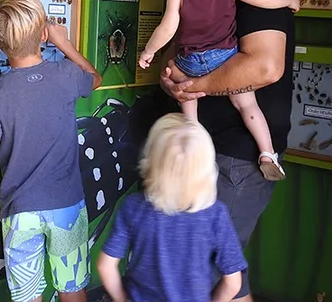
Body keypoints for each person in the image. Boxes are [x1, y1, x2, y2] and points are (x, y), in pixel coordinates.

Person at [159, 0, 296, 302]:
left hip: (238, 155)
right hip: (210, 148)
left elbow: (265, 66)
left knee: (212, 265)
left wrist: (197, 84)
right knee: (220, 267)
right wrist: (176, 82)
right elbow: (180, 48)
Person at [0, 0, 102, 302]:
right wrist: (64, 44)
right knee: (72, 286)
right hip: (67, 206)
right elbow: (95, 77)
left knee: (27, 295)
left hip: (20, 212)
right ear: (43, 34)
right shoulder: (66, 74)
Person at [139, 0, 298, 180]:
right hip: (225, 55)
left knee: (186, 101)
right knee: (249, 107)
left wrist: (150, 53)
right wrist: (290, 0)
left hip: (192, 64)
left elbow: (167, 30)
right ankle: (267, 152)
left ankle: (193, 149)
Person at [97, 113, 248, 302]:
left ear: (151, 158)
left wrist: (121, 299)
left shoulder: (132, 207)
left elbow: (106, 266)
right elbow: (233, 282)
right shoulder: (216, 215)